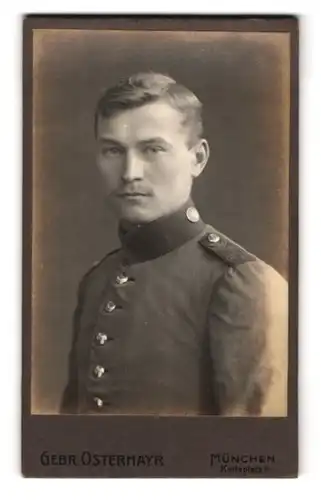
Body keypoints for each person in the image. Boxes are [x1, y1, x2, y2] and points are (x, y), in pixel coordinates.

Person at [60, 72, 288, 416]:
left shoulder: (241, 283)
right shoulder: (97, 280)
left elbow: (255, 458)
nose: (130, 172)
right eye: (113, 150)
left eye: (153, 149)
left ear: (197, 158)